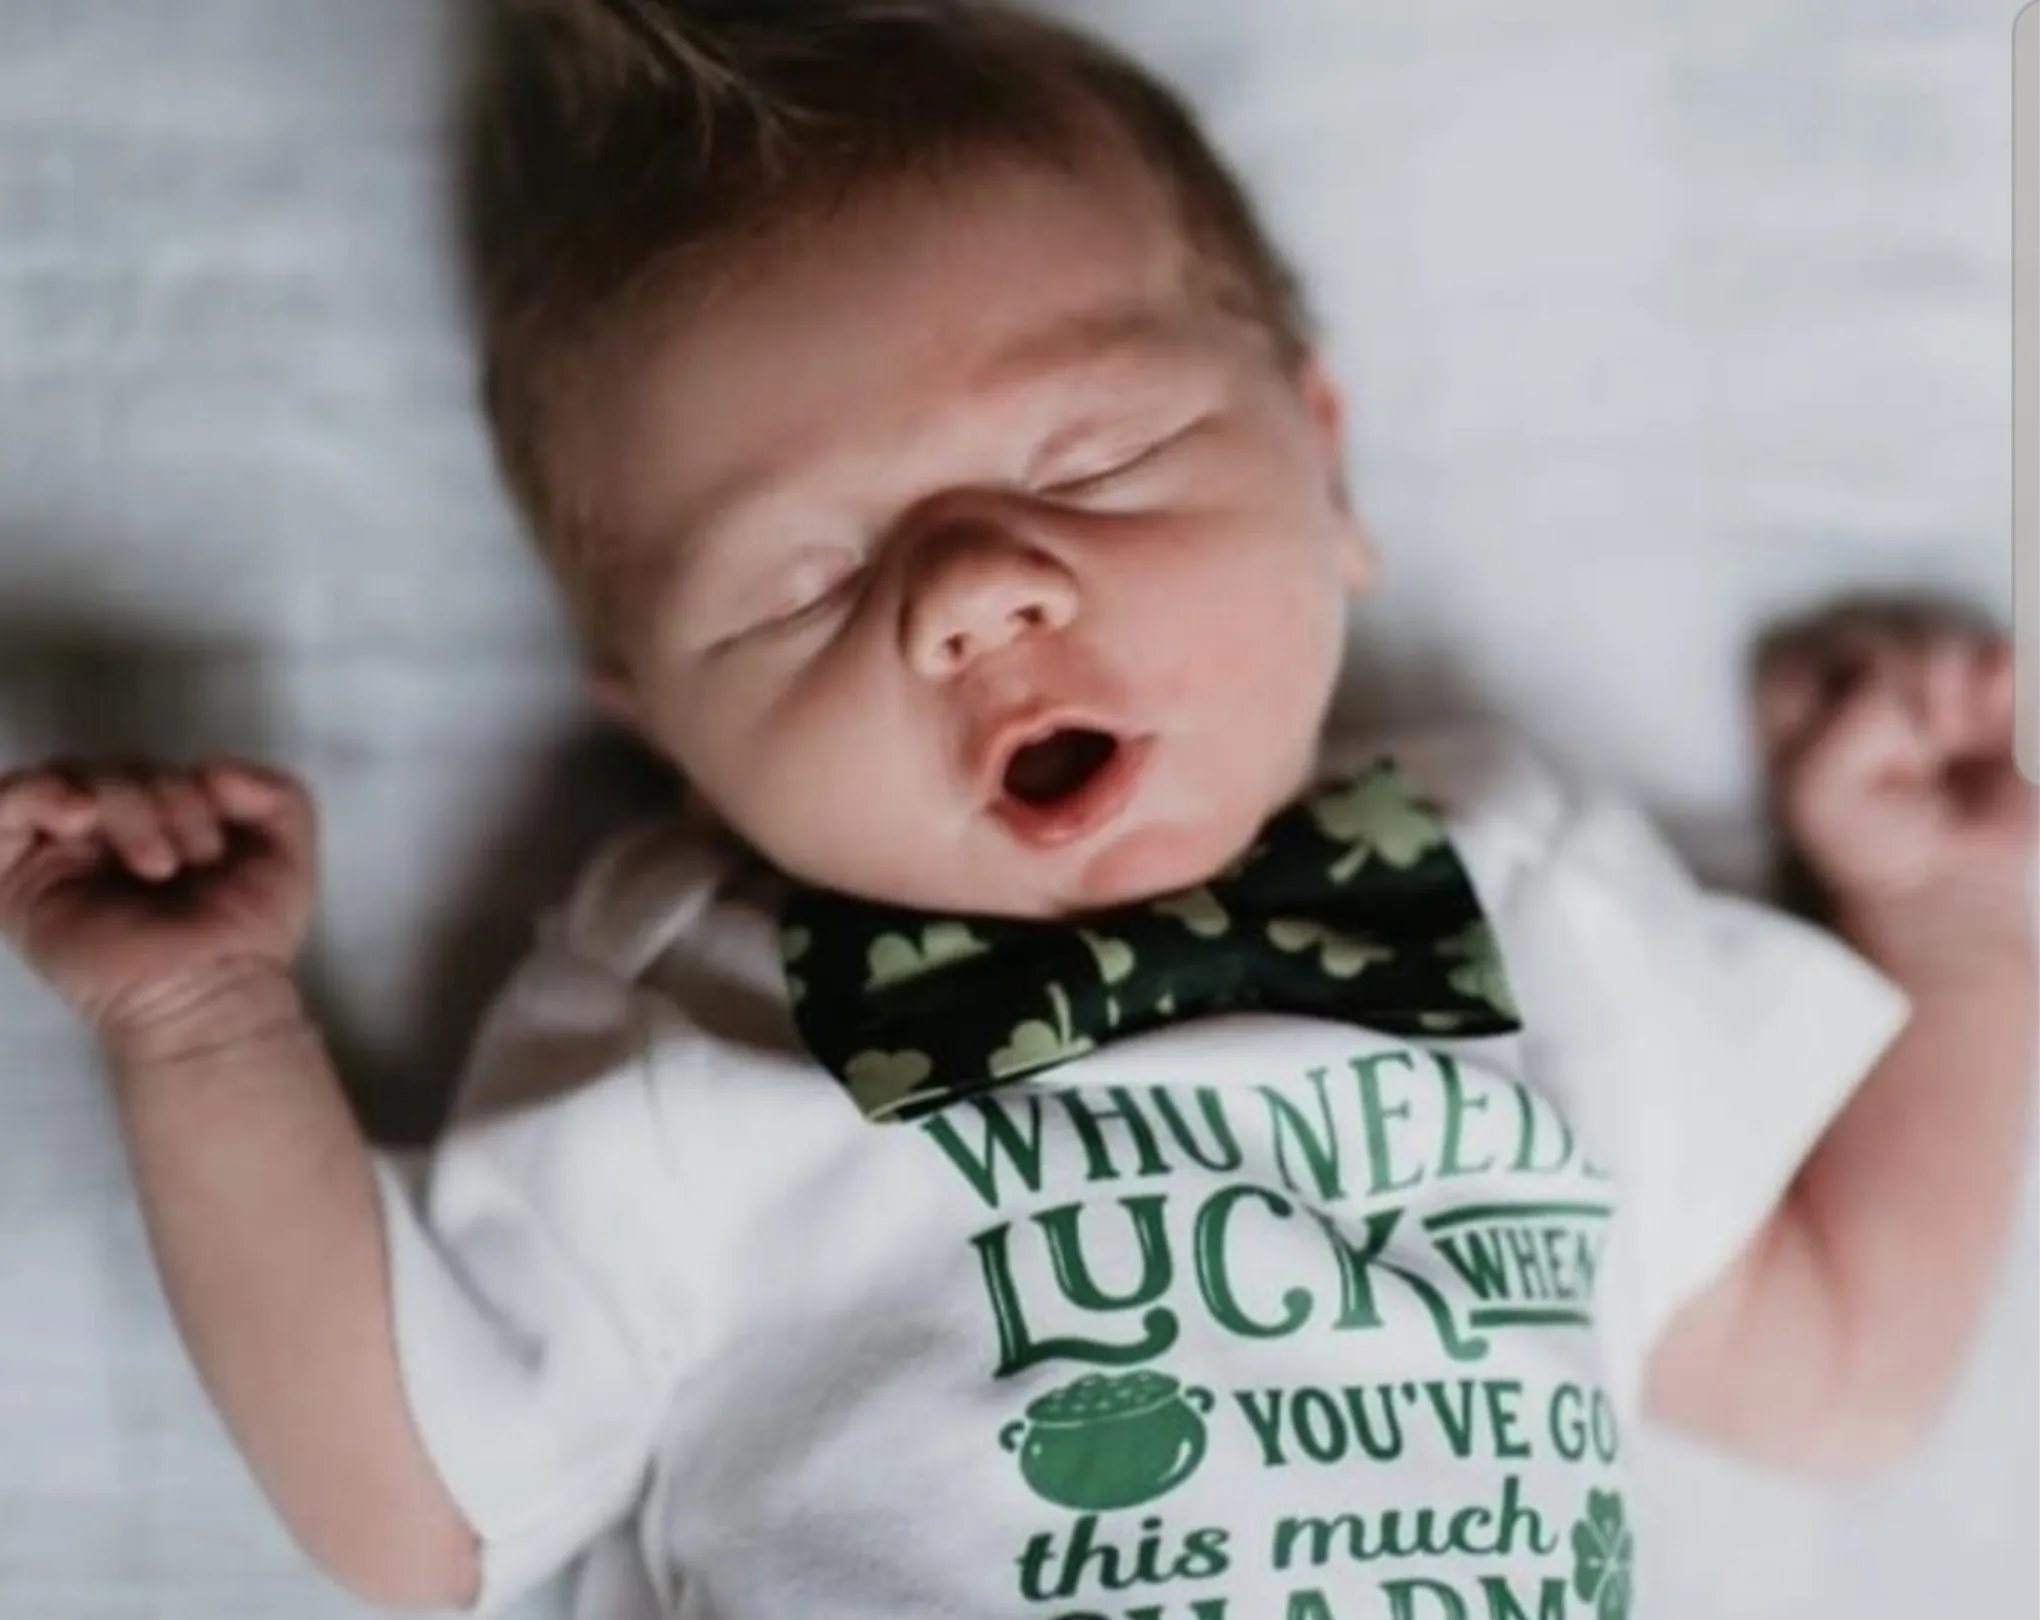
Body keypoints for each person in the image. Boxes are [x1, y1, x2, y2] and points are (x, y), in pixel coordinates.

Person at [1, 3, 2032, 1616]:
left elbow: (1839, 1367)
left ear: (1329, 473)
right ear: (663, 731)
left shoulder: (1533, 896)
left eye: (1101, 450)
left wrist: (1954, 924)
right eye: (802, 579)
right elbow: (420, 1518)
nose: (976, 592)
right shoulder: (687, 1027)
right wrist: (206, 1037)